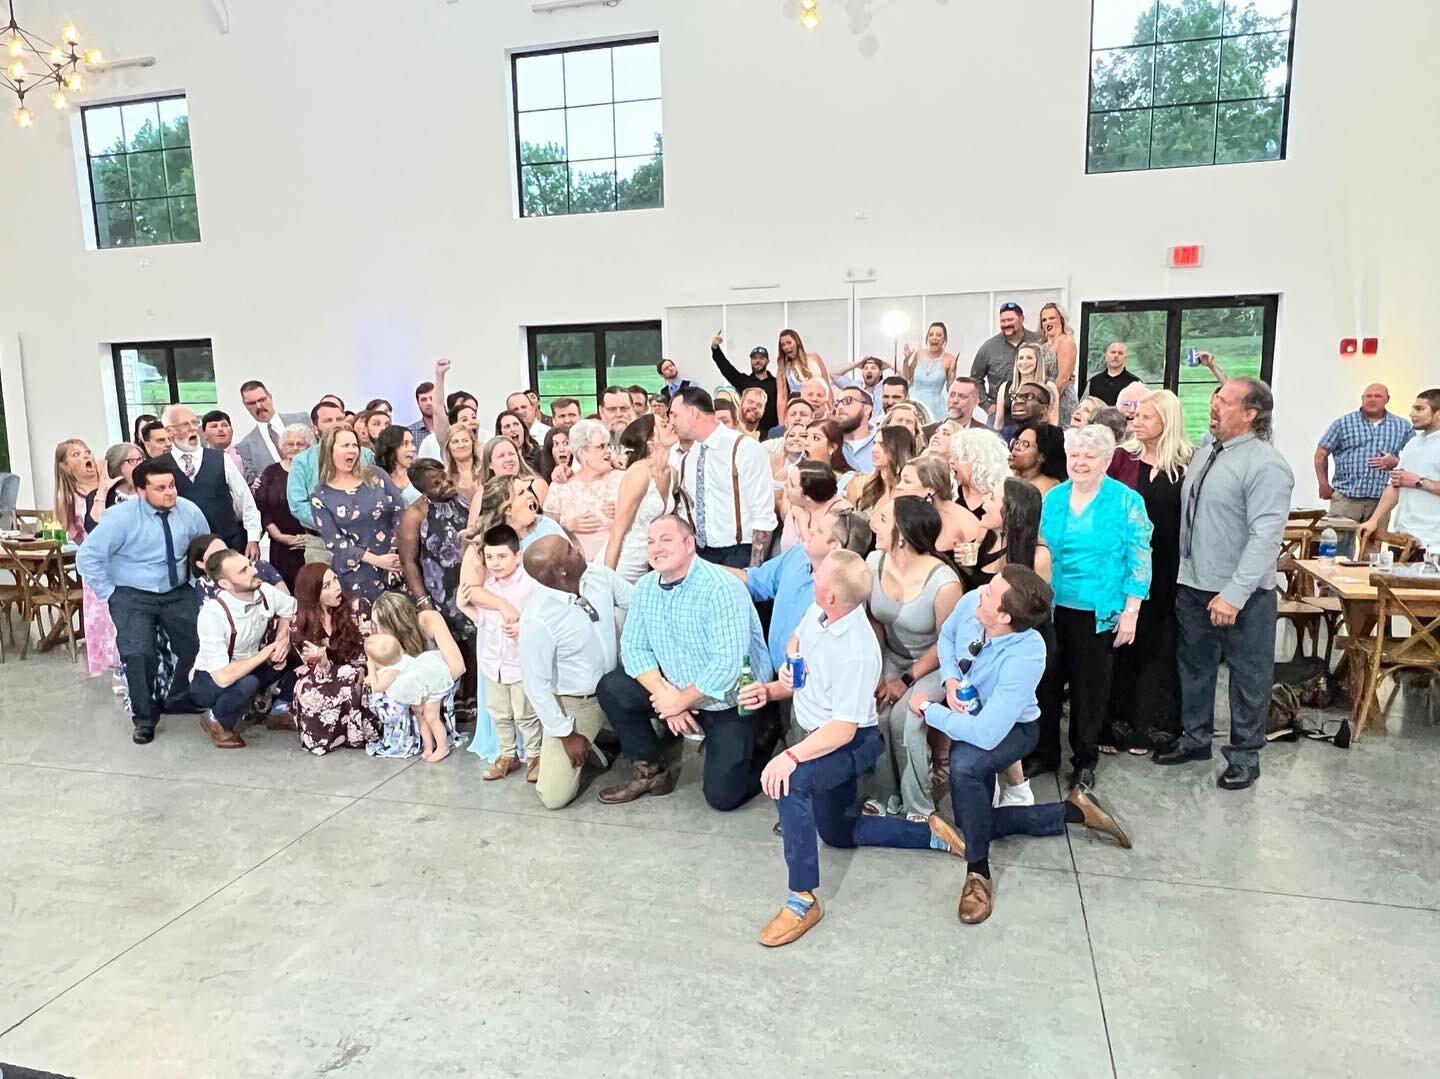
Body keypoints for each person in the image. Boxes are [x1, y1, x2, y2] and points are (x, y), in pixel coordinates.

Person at [743, 550, 964, 948]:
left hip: (847, 742)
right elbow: (800, 658)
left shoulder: (857, 651)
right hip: (816, 732)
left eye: (819, 579)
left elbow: (843, 730)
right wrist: (774, 685)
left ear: (831, 596)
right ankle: (926, 833)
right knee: (838, 833)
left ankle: (802, 899)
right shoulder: (821, 613)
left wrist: (790, 755)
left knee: (790, 783)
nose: (813, 579)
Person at [911, 566, 1133, 925]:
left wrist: (927, 710)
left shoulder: (1028, 654)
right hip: (972, 710)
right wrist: (951, 679)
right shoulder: (974, 602)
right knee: (975, 822)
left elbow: (986, 734)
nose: (980, 590)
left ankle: (978, 873)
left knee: (966, 766)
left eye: (990, 592)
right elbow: (948, 637)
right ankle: (1074, 812)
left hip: (1014, 728)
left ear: (1003, 616)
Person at [1155, 378, 1293, 790]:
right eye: (1215, 398)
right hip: (1194, 585)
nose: (1214, 405)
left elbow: (1265, 537)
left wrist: (1233, 594)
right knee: (1194, 668)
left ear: (1251, 414)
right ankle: (1195, 739)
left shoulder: (1266, 465)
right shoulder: (1208, 449)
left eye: (1225, 401)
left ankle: (1245, 755)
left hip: (1242, 595)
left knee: (1248, 677)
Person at [596, 516, 775, 809]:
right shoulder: (645, 587)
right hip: (676, 687)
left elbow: (727, 665)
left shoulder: (721, 588)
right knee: (612, 687)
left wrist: (680, 701)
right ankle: (650, 771)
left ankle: (764, 738)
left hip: (730, 698)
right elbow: (632, 648)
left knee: (723, 797)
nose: (656, 548)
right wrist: (666, 694)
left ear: (689, 543)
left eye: (666, 539)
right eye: (651, 542)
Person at [1037, 425, 1153, 790]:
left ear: (1106, 460)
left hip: (1099, 610)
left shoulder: (1126, 501)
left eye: (1089, 456)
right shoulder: (1054, 497)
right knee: (1047, 683)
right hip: (1053, 606)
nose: (1080, 463)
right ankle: (1044, 753)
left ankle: (1084, 759)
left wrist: (1131, 611)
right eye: (1074, 456)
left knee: (1090, 690)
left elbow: (1139, 557)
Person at [75, 461, 207, 744]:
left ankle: (179, 697)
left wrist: (196, 585)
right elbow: (87, 557)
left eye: (171, 485)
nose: (169, 493)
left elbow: (203, 548)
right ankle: (145, 718)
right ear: (141, 491)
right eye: (160, 488)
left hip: (178, 590)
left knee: (199, 644)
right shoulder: (120, 518)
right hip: (132, 593)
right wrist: (110, 592)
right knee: (138, 653)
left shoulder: (189, 511)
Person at [865, 496, 963, 820]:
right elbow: (875, 619)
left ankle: (918, 804)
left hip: (934, 662)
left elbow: (948, 644)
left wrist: (906, 679)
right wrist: (878, 668)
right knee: (876, 712)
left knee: (906, 718)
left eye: (882, 520)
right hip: (891, 655)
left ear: (902, 535)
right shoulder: (873, 562)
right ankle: (885, 796)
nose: (873, 524)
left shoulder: (944, 583)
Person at [1106, 389, 1192, 755]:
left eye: (1145, 417)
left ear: (1166, 423)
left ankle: (1150, 724)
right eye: (1135, 416)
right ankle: (1115, 724)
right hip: (1124, 563)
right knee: (1123, 641)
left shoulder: (1188, 464)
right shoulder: (1121, 459)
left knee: (1159, 644)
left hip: (1169, 564)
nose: (1136, 422)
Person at [520, 534, 632, 810]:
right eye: (570, 551)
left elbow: (640, 601)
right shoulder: (538, 618)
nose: (578, 550)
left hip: (616, 684)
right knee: (554, 797)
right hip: (577, 703)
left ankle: (613, 738)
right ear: (560, 571)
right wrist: (566, 734)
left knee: (657, 728)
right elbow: (535, 685)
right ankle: (591, 738)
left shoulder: (598, 575)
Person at [736, 509, 873, 676]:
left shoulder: (837, 601)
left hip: (799, 689)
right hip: (769, 671)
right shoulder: (799, 554)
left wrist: (770, 692)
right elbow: (754, 581)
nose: (811, 530)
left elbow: (812, 673)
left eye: (820, 530)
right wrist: (703, 568)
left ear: (835, 546)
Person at [189, 549, 299, 749]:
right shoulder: (213, 614)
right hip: (210, 679)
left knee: (300, 653)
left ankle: (279, 711)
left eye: (249, 564)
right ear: (225, 584)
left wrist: (283, 641)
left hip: (250, 664)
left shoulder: (264, 591)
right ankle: (215, 719)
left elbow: (291, 610)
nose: (253, 571)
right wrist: (266, 653)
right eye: (243, 571)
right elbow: (222, 677)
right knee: (248, 683)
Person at [458, 524, 542, 781]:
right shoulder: (488, 587)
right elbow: (483, 621)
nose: (495, 563)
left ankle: (535, 756)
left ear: (517, 556)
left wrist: (523, 628)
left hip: (520, 664)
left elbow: (540, 620)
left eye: (502, 556)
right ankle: (507, 755)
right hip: (493, 663)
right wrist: (465, 608)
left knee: (525, 714)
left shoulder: (530, 585)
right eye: (490, 557)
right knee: (500, 713)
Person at [397, 459, 479, 705]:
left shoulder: (464, 499)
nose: (445, 484)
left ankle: (478, 696)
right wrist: (423, 601)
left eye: (444, 477)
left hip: (469, 582)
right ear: (423, 489)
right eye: (436, 483)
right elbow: (408, 561)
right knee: (453, 647)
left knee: (477, 642)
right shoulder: (415, 514)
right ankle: (460, 700)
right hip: (439, 591)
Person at [670, 387, 779, 568]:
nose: (671, 421)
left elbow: (764, 515)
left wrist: (752, 572)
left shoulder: (745, 449)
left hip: (739, 553)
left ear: (693, 413)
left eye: (674, 415)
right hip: (701, 554)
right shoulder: (688, 457)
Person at [289, 563, 382, 755]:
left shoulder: (358, 606)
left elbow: (372, 648)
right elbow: (316, 671)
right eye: (327, 586)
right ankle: (325, 736)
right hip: (328, 677)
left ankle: (356, 732)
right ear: (313, 593)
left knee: (353, 674)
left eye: (335, 580)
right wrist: (322, 660)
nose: (337, 588)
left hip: (366, 669)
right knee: (305, 687)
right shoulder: (299, 625)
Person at [310, 426, 406, 605]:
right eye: (345, 445)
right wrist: (377, 561)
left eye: (355, 445)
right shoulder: (320, 496)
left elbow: (400, 513)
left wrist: (394, 554)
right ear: (330, 450)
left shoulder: (377, 476)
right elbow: (335, 542)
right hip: (357, 575)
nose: (352, 450)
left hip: (395, 564)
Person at [365, 591, 466, 758]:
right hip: (413, 685)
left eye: (381, 624)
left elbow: (457, 667)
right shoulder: (385, 641)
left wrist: (428, 694)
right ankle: (424, 744)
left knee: (429, 714)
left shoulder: (430, 619)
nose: (378, 630)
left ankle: (441, 746)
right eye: (375, 623)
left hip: (438, 680)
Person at [157, 404, 260, 559]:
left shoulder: (220, 459)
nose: (193, 429)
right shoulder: (160, 466)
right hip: (185, 549)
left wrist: (253, 538)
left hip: (228, 543)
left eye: (194, 423)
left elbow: (245, 500)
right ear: (169, 431)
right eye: (185, 424)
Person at [1314, 383, 1413, 532]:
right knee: (1338, 548)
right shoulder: (1343, 423)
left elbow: (1415, 458)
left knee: (1373, 551)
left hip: (1380, 501)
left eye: (1378, 396)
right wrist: (1323, 484)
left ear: (1387, 399)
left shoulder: (1403, 426)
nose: (1372, 399)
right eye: (1368, 396)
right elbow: (1321, 453)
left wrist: (1395, 462)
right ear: (1362, 398)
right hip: (1345, 498)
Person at [288, 398, 375, 565]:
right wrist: (332, 523)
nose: (336, 424)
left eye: (339, 419)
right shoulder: (302, 460)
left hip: (363, 540)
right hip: (321, 543)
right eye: (328, 421)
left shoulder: (365, 455)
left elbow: (375, 492)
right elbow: (298, 504)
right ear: (315, 428)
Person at [53, 440, 113, 676]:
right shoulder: (68, 497)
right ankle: (111, 664)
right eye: (76, 454)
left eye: (87, 451)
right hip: (96, 562)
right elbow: (74, 533)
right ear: (66, 467)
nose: (85, 457)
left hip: (120, 557)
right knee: (103, 613)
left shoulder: (108, 484)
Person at [1356, 388, 1440, 553]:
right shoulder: (1412, 444)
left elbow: (1410, 481)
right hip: (1403, 538)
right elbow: (1394, 485)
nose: (1411, 414)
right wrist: (1374, 520)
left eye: (1419, 409)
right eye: (1413, 408)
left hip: (1434, 544)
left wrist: (1418, 482)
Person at [365, 632, 456, 762]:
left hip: (429, 688)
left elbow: (377, 687)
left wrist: (370, 668)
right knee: (421, 719)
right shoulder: (398, 657)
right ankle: (429, 746)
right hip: (415, 692)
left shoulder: (391, 671)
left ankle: (443, 747)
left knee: (431, 717)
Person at [607, 413, 675, 582]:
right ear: (651, 443)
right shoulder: (639, 473)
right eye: (664, 426)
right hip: (627, 561)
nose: (671, 425)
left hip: (654, 563)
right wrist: (607, 578)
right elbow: (618, 531)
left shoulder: (672, 473)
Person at [543, 418, 623, 562]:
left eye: (608, 446)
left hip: (620, 564)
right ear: (582, 452)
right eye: (601, 446)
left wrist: (623, 512)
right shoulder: (560, 486)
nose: (608, 451)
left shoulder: (622, 479)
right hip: (575, 568)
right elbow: (547, 531)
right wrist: (567, 526)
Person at [254, 422, 313, 591]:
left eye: (300, 444)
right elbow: (263, 508)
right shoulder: (271, 472)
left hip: (310, 545)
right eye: (290, 443)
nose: (294, 448)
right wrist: (279, 536)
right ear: (282, 446)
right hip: (280, 547)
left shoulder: (316, 472)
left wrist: (311, 539)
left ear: (309, 447)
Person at [893, 455, 982, 554]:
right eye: (900, 480)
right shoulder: (918, 512)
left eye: (907, 481)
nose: (898, 486)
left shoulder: (950, 520)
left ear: (931, 488)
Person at [970, 302, 1042, 416]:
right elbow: (975, 379)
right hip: (1000, 412)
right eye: (1003, 321)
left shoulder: (1038, 342)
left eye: (1010, 320)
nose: (1006, 324)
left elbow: (1050, 371)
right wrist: (986, 405)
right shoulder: (989, 348)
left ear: (1022, 319)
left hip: (1033, 412)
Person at [236, 380, 310, 486]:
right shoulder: (245, 446)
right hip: (278, 497)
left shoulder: (302, 420)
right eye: (251, 403)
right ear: (245, 405)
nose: (258, 406)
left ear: (270, 397)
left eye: (261, 400)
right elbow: (252, 483)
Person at [709, 333, 779, 432]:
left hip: (771, 432)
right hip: (748, 432)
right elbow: (726, 368)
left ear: (768, 361)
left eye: (761, 358)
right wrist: (715, 348)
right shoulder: (744, 381)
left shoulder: (776, 383)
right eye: (754, 358)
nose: (757, 361)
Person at [779, 460, 852, 554]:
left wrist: (802, 523)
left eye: (792, 485)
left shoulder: (839, 513)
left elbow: (817, 555)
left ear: (808, 496)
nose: (785, 485)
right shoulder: (796, 503)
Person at [950, 425, 1012, 518]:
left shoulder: (1001, 499)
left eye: (957, 456)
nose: (950, 461)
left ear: (978, 461)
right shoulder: (951, 491)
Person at [995, 343, 1058, 434]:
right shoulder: (1005, 387)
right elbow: (998, 423)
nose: (1024, 362)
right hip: (1008, 438)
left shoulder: (1049, 387)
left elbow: (1053, 422)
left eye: (1029, 358)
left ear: (1038, 361)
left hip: (1038, 439)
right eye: (1021, 358)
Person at [852, 425, 915, 515]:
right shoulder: (869, 485)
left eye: (882, 444)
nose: (873, 449)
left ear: (898, 449)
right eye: (874, 443)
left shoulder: (908, 491)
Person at [901, 323, 957, 423]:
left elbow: (950, 388)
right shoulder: (919, 353)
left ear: (944, 339)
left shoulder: (950, 359)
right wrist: (906, 360)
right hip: (914, 400)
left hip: (935, 405)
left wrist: (953, 371)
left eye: (939, 335)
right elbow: (908, 377)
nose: (934, 338)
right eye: (931, 334)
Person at [776, 329, 831, 425]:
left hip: (820, 408)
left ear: (797, 342)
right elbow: (782, 397)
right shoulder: (783, 368)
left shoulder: (814, 358)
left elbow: (827, 384)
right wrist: (781, 423)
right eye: (783, 345)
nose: (786, 347)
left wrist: (831, 408)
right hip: (800, 409)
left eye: (789, 342)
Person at [1037, 301, 1079, 427]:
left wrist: (1051, 405)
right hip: (1043, 400)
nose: (1048, 322)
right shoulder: (1041, 345)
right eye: (1044, 320)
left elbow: (1064, 377)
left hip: (1061, 399)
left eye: (1052, 318)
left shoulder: (1066, 341)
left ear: (1061, 319)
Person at [479, 434, 548, 507]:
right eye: (501, 456)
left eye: (511, 454)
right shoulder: (483, 492)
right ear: (490, 464)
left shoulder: (536, 485)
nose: (508, 459)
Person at [804, 420, 862, 504]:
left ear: (832, 447)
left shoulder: (848, 482)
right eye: (805, 437)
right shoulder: (795, 475)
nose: (806, 443)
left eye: (816, 438)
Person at [1008, 423, 1067, 496]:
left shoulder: (1051, 489)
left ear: (1041, 456)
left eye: (1025, 444)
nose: (1016, 447)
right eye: (1017, 442)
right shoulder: (1004, 474)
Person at [374, 424, 421, 507]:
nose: (413, 448)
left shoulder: (421, 475)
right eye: (405, 444)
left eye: (412, 443)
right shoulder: (375, 481)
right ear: (391, 447)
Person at [833, 385, 876, 473]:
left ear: (867, 409)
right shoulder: (829, 443)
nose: (840, 407)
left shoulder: (884, 444)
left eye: (847, 401)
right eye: (837, 403)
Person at [1085, 342, 1142, 406]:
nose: (1116, 356)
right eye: (1113, 352)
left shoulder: (1136, 383)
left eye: (1120, 353)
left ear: (1125, 358)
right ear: (1106, 356)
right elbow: (1084, 407)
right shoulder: (1093, 382)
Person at [442, 424, 483, 505]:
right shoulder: (445, 478)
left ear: (473, 443)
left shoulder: (486, 471)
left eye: (465, 440)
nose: (461, 445)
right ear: (448, 447)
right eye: (455, 442)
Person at [497, 409, 543, 473]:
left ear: (523, 428)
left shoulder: (538, 454)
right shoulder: (497, 458)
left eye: (516, 424)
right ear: (500, 433)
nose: (513, 429)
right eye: (507, 426)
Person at [200, 410, 246, 475]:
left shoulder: (245, 454)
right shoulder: (200, 460)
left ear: (232, 430)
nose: (220, 429)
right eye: (214, 426)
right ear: (204, 434)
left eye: (224, 425)